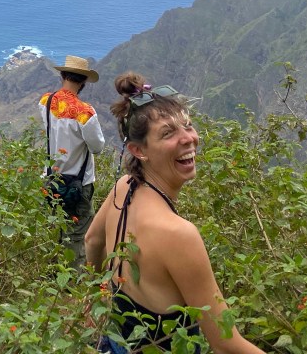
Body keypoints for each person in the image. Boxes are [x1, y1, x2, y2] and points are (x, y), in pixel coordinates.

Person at [85, 72, 268, 354]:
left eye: (188, 125)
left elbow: (92, 241)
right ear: (138, 150)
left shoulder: (124, 187)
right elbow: (225, 344)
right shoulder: (178, 233)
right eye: (168, 133)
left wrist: (95, 299)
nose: (189, 139)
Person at [40, 54, 106, 267]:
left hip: (51, 179)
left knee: (56, 228)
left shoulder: (46, 101)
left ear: (62, 76)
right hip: (78, 183)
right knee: (77, 233)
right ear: (84, 81)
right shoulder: (85, 113)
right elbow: (97, 147)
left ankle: (52, 272)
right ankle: (71, 280)